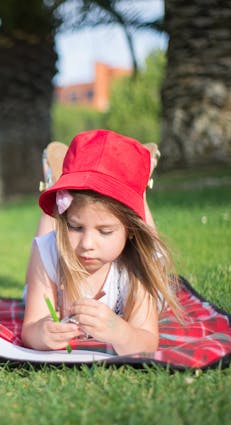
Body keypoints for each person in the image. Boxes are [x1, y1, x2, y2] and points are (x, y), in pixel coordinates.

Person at [22, 129, 182, 355]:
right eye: (76, 227)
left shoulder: (138, 268)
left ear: (129, 231)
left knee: (151, 247)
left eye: (105, 231)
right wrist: (42, 333)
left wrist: (120, 331)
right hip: (58, 240)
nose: (87, 243)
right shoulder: (49, 251)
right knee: (44, 244)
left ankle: (140, 188)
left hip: (138, 250)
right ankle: (54, 184)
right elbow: (30, 329)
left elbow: (146, 342)